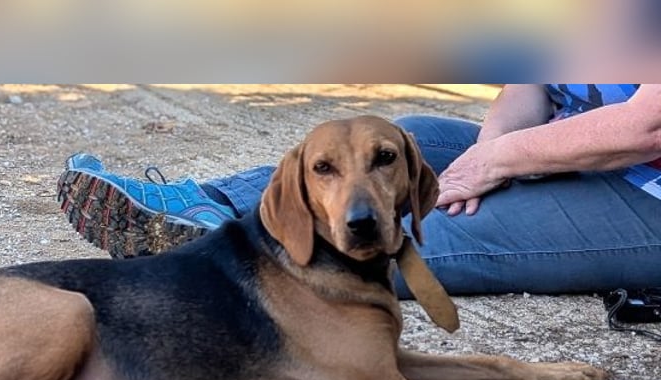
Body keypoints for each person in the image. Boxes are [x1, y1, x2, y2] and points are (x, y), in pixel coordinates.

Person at [57, 84, 661, 298]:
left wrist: (498, 161)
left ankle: (229, 262)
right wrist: (488, 148)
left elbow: (645, 124)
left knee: (417, 233)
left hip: (647, 196)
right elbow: (529, 85)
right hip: (581, 148)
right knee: (401, 143)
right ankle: (206, 207)